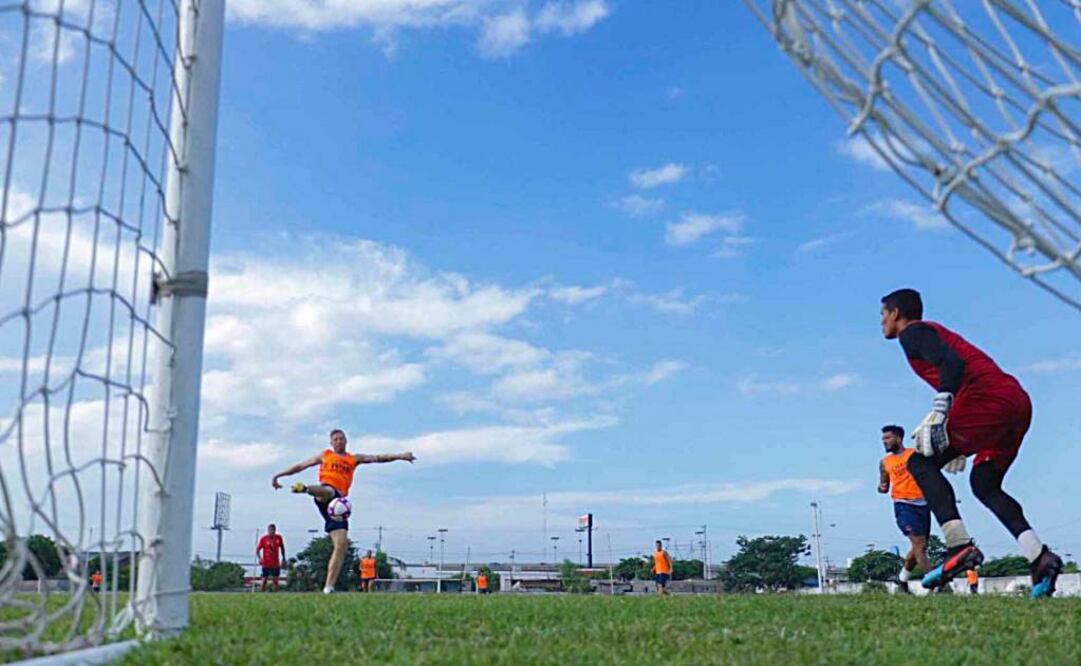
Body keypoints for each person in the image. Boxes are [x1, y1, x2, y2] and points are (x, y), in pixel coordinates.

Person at [880, 288, 1062, 597]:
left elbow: (953, 365)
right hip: (1015, 401)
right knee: (984, 483)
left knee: (918, 461)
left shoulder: (912, 333)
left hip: (986, 398)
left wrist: (941, 408)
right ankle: (1039, 557)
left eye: (883, 314)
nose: (882, 321)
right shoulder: (931, 332)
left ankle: (958, 547)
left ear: (896, 313)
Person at [272, 429, 415, 594]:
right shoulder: (325, 455)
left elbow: (378, 458)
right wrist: (278, 475)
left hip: (339, 505)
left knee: (341, 545)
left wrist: (401, 456)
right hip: (324, 493)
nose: (339, 441)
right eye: (335, 439)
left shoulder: (353, 459)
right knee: (329, 491)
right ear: (331, 443)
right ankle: (305, 488)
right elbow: (300, 466)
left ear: (346, 441)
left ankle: (328, 587)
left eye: (341, 439)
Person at [877, 424, 933, 593]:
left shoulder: (914, 455)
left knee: (919, 548)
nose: (884, 442)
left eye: (888, 438)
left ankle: (901, 579)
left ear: (898, 438)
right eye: (883, 439)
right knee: (920, 545)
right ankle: (936, 584)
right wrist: (881, 487)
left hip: (923, 504)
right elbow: (883, 485)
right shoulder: (885, 462)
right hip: (903, 505)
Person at [256, 524, 286, 592]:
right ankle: (261, 594)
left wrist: (283, 558)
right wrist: (260, 558)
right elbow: (258, 550)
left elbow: (282, 548)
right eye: (270, 530)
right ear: (268, 530)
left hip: (275, 563)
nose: (272, 532)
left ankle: (276, 594)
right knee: (264, 580)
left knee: (275, 581)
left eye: (273, 530)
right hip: (266, 562)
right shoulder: (264, 539)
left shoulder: (279, 538)